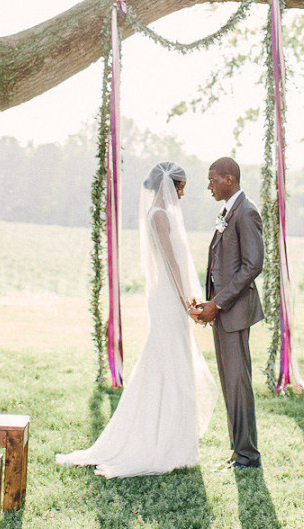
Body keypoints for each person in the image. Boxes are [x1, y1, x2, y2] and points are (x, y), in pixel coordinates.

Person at [57, 161, 216, 478]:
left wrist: (190, 296)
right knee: (168, 361)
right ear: (169, 186)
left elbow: (179, 263)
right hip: (168, 297)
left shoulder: (163, 214)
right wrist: (186, 301)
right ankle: (159, 442)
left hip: (174, 295)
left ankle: (176, 441)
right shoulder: (158, 215)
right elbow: (170, 262)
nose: (182, 194)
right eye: (180, 187)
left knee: (173, 360)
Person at [192, 157, 264, 469]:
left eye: (212, 180)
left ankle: (248, 455)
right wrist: (209, 303)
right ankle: (238, 452)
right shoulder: (229, 211)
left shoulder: (245, 212)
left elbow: (253, 265)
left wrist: (218, 302)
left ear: (229, 180)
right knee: (230, 382)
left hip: (233, 313)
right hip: (223, 313)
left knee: (238, 383)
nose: (209, 186)